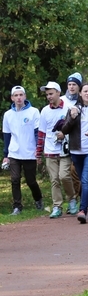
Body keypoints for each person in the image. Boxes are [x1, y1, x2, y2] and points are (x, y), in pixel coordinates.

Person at [61, 82, 88, 223]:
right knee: (84, 181)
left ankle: (83, 210)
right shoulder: (73, 110)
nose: (87, 94)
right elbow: (65, 130)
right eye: (85, 91)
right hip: (76, 151)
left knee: (85, 180)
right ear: (80, 93)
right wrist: (72, 118)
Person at [37, 81, 76, 218]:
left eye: (51, 93)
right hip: (49, 150)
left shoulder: (69, 108)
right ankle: (57, 206)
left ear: (59, 93)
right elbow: (41, 133)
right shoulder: (45, 111)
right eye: (47, 94)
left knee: (64, 176)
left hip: (65, 150)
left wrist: (64, 134)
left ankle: (72, 199)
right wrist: (38, 153)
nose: (49, 96)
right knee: (54, 179)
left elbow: (75, 128)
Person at [2, 86, 44, 215]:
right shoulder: (8, 115)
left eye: (21, 95)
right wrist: (6, 155)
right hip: (14, 152)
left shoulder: (34, 112)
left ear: (25, 96)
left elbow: (38, 133)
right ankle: (17, 207)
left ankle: (38, 200)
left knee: (31, 181)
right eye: (16, 95)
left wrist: (38, 151)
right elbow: (7, 135)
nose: (19, 98)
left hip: (29, 152)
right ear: (12, 98)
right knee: (15, 179)